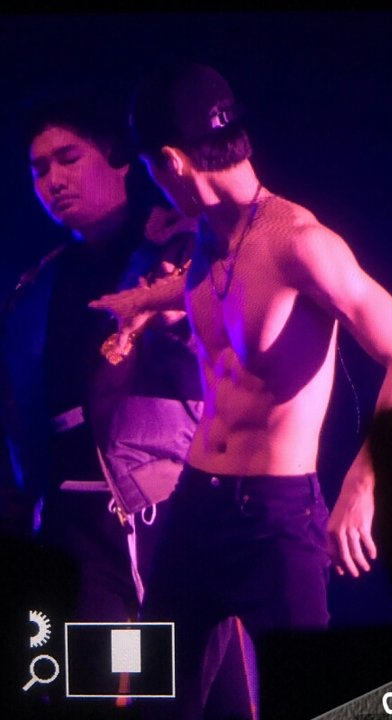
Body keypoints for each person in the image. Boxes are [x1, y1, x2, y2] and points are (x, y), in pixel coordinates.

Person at [90, 62, 392, 718]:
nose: (151, 184)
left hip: (276, 521)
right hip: (195, 502)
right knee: (151, 692)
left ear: (172, 161)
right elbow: (226, 290)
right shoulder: (208, 232)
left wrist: (362, 486)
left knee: (308, 699)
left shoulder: (303, 243)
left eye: (148, 169)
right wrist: (146, 302)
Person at [0, 82, 253, 719]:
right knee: (105, 692)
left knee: (192, 689)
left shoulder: (181, 248)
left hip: (161, 508)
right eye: (39, 170)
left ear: (119, 161)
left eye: (69, 158)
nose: (54, 180)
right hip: (75, 524)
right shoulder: (37, 285)